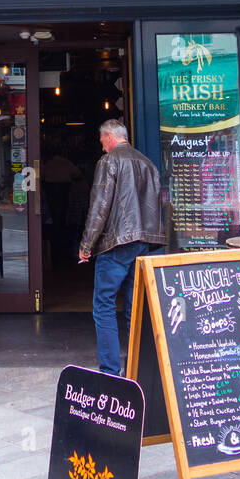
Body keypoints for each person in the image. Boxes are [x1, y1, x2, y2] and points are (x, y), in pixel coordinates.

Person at [79, 121, 165, 376]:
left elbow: (99, 207)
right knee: (133, 309)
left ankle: (110, 372)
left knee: (103, 305)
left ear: (109, 137)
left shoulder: (109, 162)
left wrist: (86, 245)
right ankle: (137, 370)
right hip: (143, 244)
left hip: (117, 243)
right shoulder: (148, 164)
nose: (101, 146)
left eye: (102, 140)